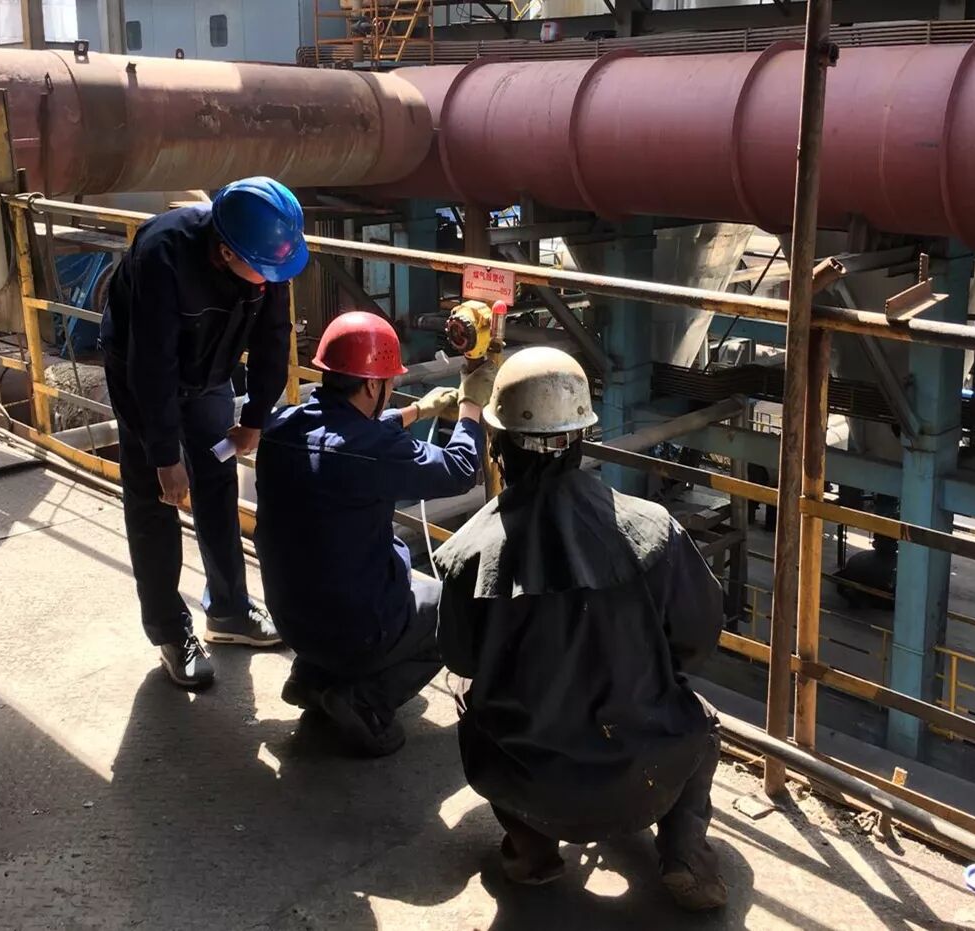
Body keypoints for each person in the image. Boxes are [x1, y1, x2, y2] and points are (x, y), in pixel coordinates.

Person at [433, 346, 728, 911]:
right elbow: (695, 641)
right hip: (646, 773)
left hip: (529, 781)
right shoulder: (654, 528)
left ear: (497, 443)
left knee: (465, 696)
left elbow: (461, 659)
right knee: (704, 722)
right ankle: (684, 853)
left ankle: (532, 850)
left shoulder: (469, 552)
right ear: (582, 439)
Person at [254, 311, 496, 757]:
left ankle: (311, 678)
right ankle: (364, 702)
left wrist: (416, 411)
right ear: (372, 387)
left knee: (338, 571)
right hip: (354, 628)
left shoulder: (281, 426)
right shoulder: (373, 452)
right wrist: (471, 408)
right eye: (388, 382)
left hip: (290, 619)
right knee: (458, 610)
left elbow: (343, 437)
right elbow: (461, 469)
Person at [101, 177, 309, 690]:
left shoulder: (267, 257)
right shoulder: (162, 255)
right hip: (142, 375)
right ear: (225, 251)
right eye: (262, 272)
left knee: (216, 482)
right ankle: (170, 633)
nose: (270, 281)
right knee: (156, 501)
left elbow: (273, 337)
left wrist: (256, 417)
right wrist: (164, 456)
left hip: (210, 374)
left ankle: (229, 611)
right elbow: (152, 364)